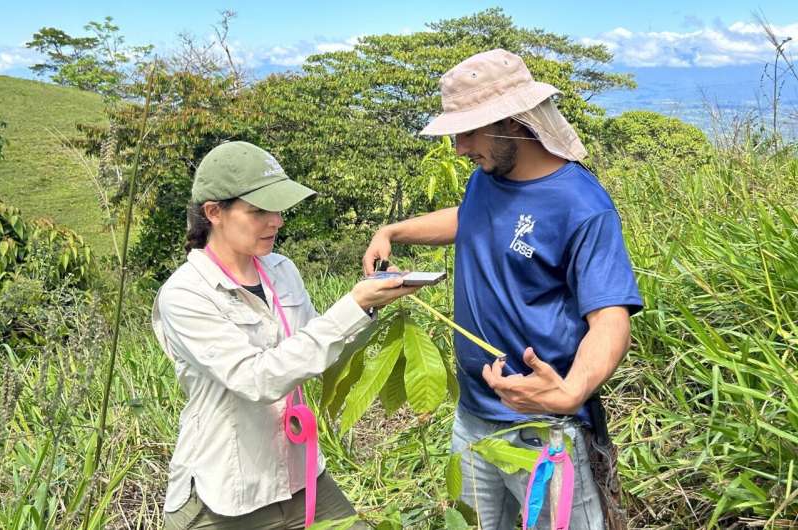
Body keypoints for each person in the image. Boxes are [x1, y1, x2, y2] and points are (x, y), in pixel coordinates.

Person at [363, 49, 642, 530]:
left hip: (541, 431)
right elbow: (471, 220)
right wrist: (394, 230)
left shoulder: (582, 206)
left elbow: (610, 319)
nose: (459, 148)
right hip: (471, 417)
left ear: (512, 122)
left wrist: (571, 390)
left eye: (468, 132)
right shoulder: (489, 177)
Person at [153, 141, 417, 529]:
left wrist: (373, 303)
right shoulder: (186, 293)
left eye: (277, 209)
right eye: (259, 211)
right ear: (214, 213)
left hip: (298, 472)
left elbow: (318, 346)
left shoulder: (280, 269)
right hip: (224, 492)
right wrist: (353, 305)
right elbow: (257, 379)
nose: (275, 221)